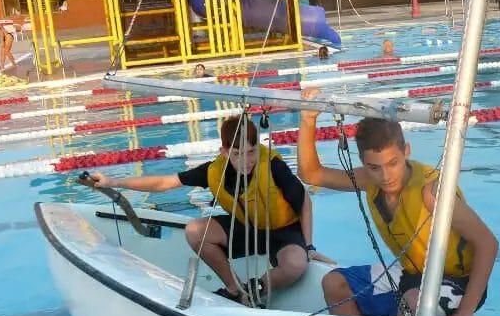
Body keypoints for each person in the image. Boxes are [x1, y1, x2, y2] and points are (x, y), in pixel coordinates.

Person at [296, 88, 498, 316]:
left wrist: (464, 313)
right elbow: (311, 174)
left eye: (393, 163)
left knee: (411, 302)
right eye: (374, 167)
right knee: (334, 283)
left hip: (458, 282)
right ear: (363, 162)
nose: (385, 176)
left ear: (407, 151)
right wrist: (308, 120)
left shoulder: (432, 192)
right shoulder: (369, 180)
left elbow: (488, 243)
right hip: (413, 274)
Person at [91, 114, 329, 305]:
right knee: (195, 230)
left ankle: (256, 289)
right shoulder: (213, 170)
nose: (246, 160)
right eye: (237, 154)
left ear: (259, 147)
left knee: (296, 265)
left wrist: (308, 246)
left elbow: (304, 201)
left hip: (284, 231)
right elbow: (164, 183)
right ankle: (234, 289)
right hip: (247, 228)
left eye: (251, 152)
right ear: (224, 152)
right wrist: (113, 182)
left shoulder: (274, 167)